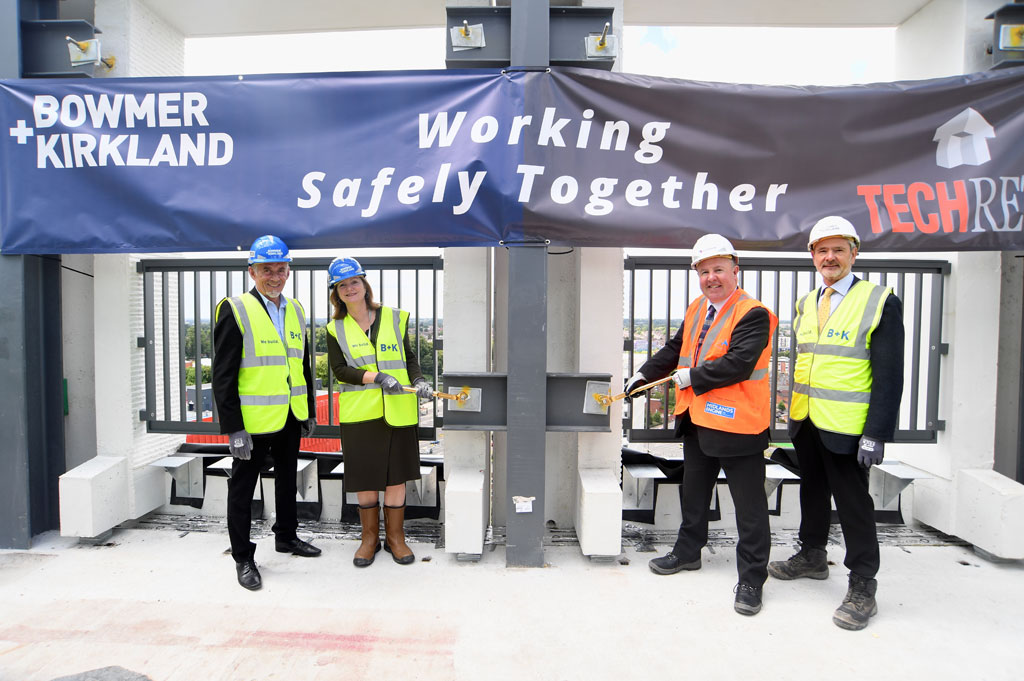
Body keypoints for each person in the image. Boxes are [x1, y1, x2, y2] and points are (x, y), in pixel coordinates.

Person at [626, 234, 778, 616]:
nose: (712, 278)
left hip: (739, 425)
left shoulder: (753, 313)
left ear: (735, 271)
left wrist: (691, 377)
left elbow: (738, 363)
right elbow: (675, 349)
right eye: (705, 271)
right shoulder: (699, 307)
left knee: (749, 506)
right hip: (697, 419)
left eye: (719, 270)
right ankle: (688, 551)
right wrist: (644, 374)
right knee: (694, 490)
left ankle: (752, 578)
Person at [768, 215, 904, 631]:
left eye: (838, 249)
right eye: (822, 250)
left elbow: (890, 374)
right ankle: (811, 555)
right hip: (806, 420)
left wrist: (876, 433)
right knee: (811, 490)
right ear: (813, 255)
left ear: (853, 253)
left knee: (853, 503)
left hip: (848, 426)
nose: (830, 257)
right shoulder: (806, 303)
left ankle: (863, 583)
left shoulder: (879, 300)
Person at [212, 235, 320, 591]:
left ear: (288, 271)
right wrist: (233, 428)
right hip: (252, 422)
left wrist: (307, 411)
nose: (275, 276)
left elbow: (300, 364)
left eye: (281, 269)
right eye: (266, 270)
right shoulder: (235, 308)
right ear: (252, 271)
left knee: (287, 480)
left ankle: (286, 537)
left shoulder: (296, 309)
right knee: (242, 489)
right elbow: (223, 374)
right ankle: (243, 557)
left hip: (289, 415)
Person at [324, 256, 433, 568]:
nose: (349, 288)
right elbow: (340, 370)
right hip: (360, 414)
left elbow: (409, 356)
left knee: (396, 476)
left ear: (364, 284)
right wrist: (377, 378)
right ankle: (369, 539)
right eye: (342, 285)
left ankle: (395, 539)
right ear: (336, 292)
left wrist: (419, 381)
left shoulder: (395, 318)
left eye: (354, 282)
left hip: (398, 410)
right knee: (366, 478)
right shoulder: (335, 328)